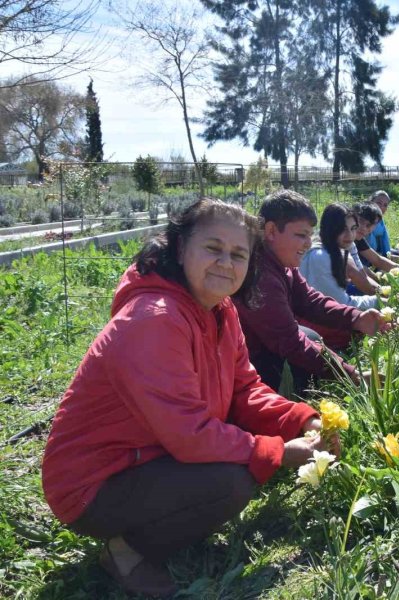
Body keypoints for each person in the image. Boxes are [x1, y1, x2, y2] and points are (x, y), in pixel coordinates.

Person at [41, 198, 339, 597]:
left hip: (148, 453)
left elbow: (245, 389)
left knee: (234, 459)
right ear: (181, 248)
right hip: (92, 483)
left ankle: (164, 516)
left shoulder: (220, 310)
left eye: (239, 254)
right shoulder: (154, 319)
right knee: (232, 481)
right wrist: (279, 452)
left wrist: (301, 419)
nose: (226, 264)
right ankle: (124, 552)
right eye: (213, 249)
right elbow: (190, 435)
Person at [235, 190, 388, 396]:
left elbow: (310, 300)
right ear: (271, 231)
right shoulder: (261, 276)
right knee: (304, 349)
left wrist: (357, 318)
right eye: (301, 235)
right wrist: (352, 375)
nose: (308, 243)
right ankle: (289, 394)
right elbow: (290, 342)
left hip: (270, 348)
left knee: (311, 337)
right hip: (250, 367)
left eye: (309, 235)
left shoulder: (282, 264)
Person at [301, 204, 379, 310]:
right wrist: (381, 301)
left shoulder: (349, 245)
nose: (350, 235)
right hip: (312, 320)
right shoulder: (320, 257)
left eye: (353, 228)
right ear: (330, 229)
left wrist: (386, 293)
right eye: (342, 229)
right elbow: (342, 304)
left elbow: (362, 276)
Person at [352, 202, 399, 273]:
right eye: (361, 221)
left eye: (369, 225)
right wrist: (379, 281)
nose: (363, 228)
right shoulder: (343, 237)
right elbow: (358, 269)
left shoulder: (359, 239)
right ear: (353, 216)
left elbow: (377, 260)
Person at [365, 190, 399, 258]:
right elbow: (365, 249)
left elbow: (384, 248)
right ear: (371, 202)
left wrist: (396, 252)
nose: (381, 207)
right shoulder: (365, 222)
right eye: (379, 203)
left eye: (385, 205)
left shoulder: (380, 222)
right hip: (366, 258)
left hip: (378, 254)